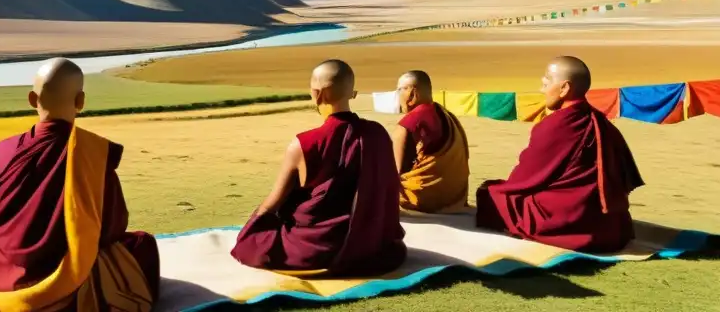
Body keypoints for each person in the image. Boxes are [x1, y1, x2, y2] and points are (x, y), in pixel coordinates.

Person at [0, 58, 159, 312]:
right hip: (65, 291)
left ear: (32, 99)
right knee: (143, 245)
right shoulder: (91, 153)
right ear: (80, 102)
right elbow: (113, 226)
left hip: (3, 291)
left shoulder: (3, 150)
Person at [230, 59, 406, 276]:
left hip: (317, 248)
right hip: (371, 245)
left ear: (316, 94)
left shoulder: (304, 144)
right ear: (353, 94)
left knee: (251, 243)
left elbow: (273, 203)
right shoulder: (378, 134)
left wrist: (253, 225)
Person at [476, 56, 644, 252]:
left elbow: (522, 180)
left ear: (564, 88)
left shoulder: (556, 125)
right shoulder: (600, 121)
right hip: (612, 225)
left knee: (489, 193)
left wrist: (501, 188)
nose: (542, 89)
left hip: (572, 222)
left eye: (546, 83)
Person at [391, 70, 469, 213]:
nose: (398, 97)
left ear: (412, 93)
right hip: (455, 198)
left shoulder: (409, 123)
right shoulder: (448, 116)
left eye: (399, 90)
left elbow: (394, 171)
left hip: (422, 199)